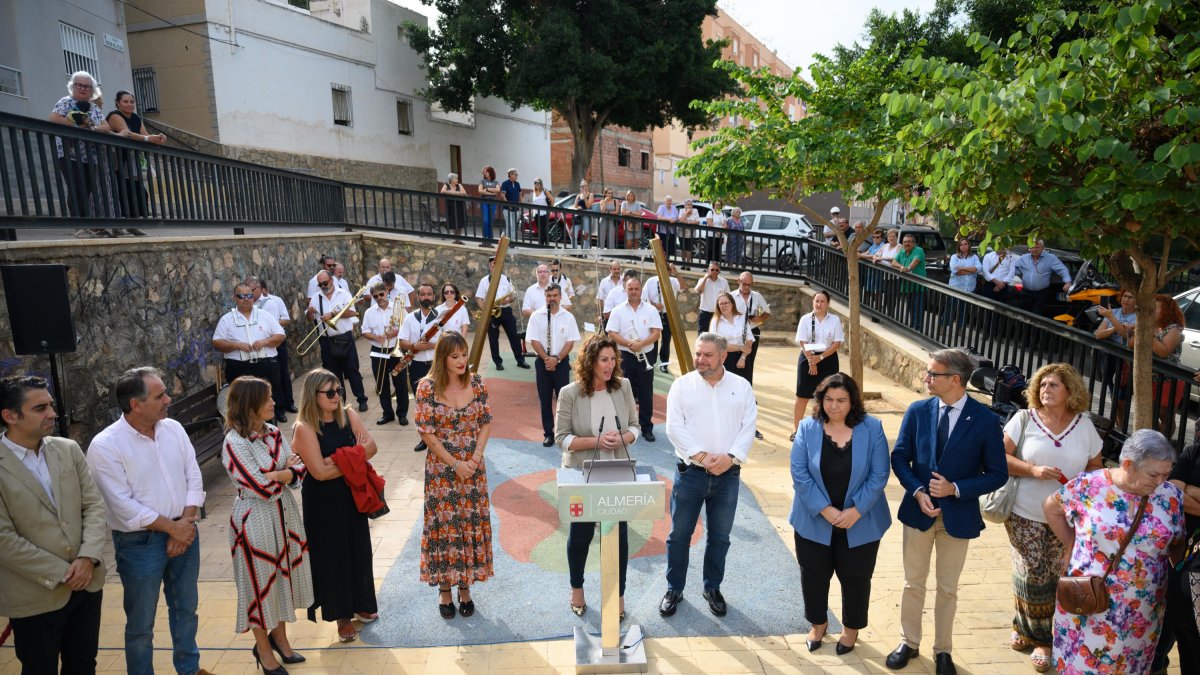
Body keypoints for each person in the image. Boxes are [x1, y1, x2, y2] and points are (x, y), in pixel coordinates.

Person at [887, 349, 1008, 675]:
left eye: (932, 374)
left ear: (955, 379)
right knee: (913, 584)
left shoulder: (985, 420)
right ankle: (908, 643)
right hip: (918, 512)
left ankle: (943, 651)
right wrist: (917, 490)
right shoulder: (917, 410)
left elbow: (998, 474)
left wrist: (956, 488)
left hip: (958, 517)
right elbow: (900, 457)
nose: (926, 378)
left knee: (948, 588)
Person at [87, 367, 212, 675]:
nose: (169, 399)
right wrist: (174, 529)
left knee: (186, 610)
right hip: (139, 543)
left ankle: (190, 668)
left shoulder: (173, 429)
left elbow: (192, 475)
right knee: (141, 624)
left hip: (184, 529)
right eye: (160, 395)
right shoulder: (105, 446)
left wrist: (186, 520)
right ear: (136, 404)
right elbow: (121, 505)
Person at [1044, 429, 1184, 675]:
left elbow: (1177, 541)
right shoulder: (1088, 486)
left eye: (1167, 474)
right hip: (1088, 602)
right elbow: (1052, 507)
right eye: (1154, 474)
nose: (1160, 481)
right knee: (1082, 666)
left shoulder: (1170, 496)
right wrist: (1070, 544)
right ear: (1128, 464)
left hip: (1142, 609)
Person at [0, 376, 107, 675]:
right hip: (35, 594)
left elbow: (94, 506)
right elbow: (3, 539)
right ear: (10, 416)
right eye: (40, 408)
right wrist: (63, 572)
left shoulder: (68, 449)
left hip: (87, 585)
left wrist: (87, 558)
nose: (52, 414)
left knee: (83, 666)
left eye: (50, 405)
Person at [1000, 363, 1103, 672]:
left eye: (1053, 385)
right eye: (1042, 385)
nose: (1045, 390)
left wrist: (1081, 486)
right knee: (1032, 573)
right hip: (1023, 511)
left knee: (1055, 574)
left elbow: (1096, 467)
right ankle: (1044, 641)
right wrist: (1033, 470)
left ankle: (1022, 626)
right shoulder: (1024, 419)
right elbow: (998, 457)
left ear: (1070, 391)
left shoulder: (1084, 426)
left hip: (1066, 515)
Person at [790, 373, 891, 655]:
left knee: (856, 576)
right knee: (813, 574)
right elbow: (799, 474)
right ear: (820, 400)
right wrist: (826, 509)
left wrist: (856, 511)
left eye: (841, 400)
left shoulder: (873, 428)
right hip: (813, 519)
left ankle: (851, 630)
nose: (834, 406)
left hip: (861, 520)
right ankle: (818, 624)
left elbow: (880, 473)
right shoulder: (807, 428)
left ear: (853, 401)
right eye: (828, 399)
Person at [660, 333, 757, 618]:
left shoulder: (741, 387)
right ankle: (673, 588)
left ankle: (711, 587)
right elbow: (673, 428)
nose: (700, 360)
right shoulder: (682, 386)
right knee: (679, 535)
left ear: (723, 356)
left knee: (720, 537)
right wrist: (702, 456)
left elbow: (748, 426)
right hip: (691, 473)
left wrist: (730, 458)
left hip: (728, 476)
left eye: (707, 355)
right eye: (698, 354)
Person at [221, 376, 313, 675]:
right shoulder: (234, 443)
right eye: (268, 398)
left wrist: (282, 474)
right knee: (259, 586)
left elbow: (299, 467)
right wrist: (284, 473)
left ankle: (282, 642)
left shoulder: (273, 432)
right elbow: (260, 487)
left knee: (281, 580)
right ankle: (263, 650)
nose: (274, 402)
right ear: (250, 405)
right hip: (255, 520)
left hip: (283, 514)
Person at [290, 369, 379, 643]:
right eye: (329, 393)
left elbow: (372, 447)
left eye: (339, 390)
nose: (336, 396)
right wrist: (353, 459)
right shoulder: (303, 428)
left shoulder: (348, 413)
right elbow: (319, 473)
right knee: (333, 557)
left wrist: (337, 460)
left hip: (352, 496)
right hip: (323, 503)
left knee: (359, 549)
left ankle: (362, 603)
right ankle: (341, 616)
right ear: (313, 395)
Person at [556, 335, 640, 618]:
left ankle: (617, 595)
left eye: (613, 359)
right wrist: (597, 441)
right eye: (604, 359)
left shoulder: (623, 386)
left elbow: (635, 427)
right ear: (590, 361)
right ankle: (576, 589)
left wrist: (623, 438)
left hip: (616, 473)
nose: (610, 365)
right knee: (580, 536)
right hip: (582, 474)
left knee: (619, 537)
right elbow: (562, 439)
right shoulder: (570, 393)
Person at [415, 332, 495, 618]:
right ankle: (445, 589)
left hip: (473, 469)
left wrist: (473, 458)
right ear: (442, 358)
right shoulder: (426, 387)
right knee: (445, 526)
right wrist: (454, 464)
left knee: (468, 522)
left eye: (464, 354)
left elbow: (485, 422)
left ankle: (465, 587)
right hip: (442, 471)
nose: (462, 361)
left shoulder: (476, 382)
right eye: (455, 356)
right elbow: (427, 432)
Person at [50, 71, 113, 236]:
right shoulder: (65, 102)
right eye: (80, 85)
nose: (84, 89)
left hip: (90, 156)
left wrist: (91, 127)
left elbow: (105, 127)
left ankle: (86, 223)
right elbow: (55, 119)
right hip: (68, 152)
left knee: (88, 189)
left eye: (88, 86)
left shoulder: (93, 107)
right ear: (73, 86)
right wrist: (78, 127)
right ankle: (79, 224)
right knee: (76, 187)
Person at [212, 282, 286, 422]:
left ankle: (270, 433)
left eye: (249, 295)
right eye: (241, 296)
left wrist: (265, 342)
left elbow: (280, 336)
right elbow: (217, 342)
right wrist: (236, 345)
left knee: (267, 403)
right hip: (239, 367)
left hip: (265, 365)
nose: (246, 299)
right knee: (243, 405)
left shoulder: (265, 315)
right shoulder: (227, 319)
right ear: (234, 297)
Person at [606, 275, 662, 441]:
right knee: (623, 391)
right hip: (625, 355)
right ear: (626, 290)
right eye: (630, 289)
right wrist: (631, 344)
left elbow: (656, 333)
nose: (633, 291)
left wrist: (641, 344)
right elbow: (611, 333)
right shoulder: (618, 310)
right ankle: (625, 426)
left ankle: (646, 427)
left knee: (646, 392)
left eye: (636, 289)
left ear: (641, 290)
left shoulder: (651, 310)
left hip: (646, 354)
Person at [1162, 438, 1200, 672]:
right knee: (1185, 634)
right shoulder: (1193, 452)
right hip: (1183, 557)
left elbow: (1180, 490)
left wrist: (1193, 490)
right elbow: (1172, 493)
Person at [307, 270, 369, 412]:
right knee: (333, 374)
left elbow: (353, 312)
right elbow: (310, 319)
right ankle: (340, 402)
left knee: (352, 371)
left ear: (331, 280)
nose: (323, 285)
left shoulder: (343, 294)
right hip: (326, 340)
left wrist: (335, 314)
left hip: (344, 338)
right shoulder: (316, 297)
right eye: (320, 284)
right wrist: (310, 312)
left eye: (325, 282)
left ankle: (361, 399)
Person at [529, 283, 580, 446]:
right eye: (549, 295)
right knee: (545, 400)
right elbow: (534, 341)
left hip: (561, 363)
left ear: (560, 297)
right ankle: (548, 433)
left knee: (563, 399)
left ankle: (564, 432)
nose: (552, 298)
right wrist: (547, 359)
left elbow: (570, 342)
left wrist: (556, 359)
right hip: (543, 363)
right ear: (545, 297)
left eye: (555, 295)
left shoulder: (568, 317)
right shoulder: (537, 316)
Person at [105, 89, 164, 227]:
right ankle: (126, 224)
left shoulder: (136, 118)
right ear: (118, 103)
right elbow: (128, 134)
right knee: (122, 193)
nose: (129, 104)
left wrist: (158, 138)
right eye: (125, 101)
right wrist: (147, 138)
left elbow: (146, 135)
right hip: (117, 162)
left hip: (132, 163)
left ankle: (136, 224)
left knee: (140, 194)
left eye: (132, 102)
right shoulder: (115, 116)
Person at [792, 291, 844, 443]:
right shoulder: (806, 319)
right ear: (813, 302)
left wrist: (820, 358)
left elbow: (837, 343)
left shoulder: (834, 320)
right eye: (817, 301)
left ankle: (824, 429)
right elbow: (802, 341)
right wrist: (811, 361)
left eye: (822, 301)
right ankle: (797, 430)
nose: (819, 304)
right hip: (808, 356)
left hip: (827, 358)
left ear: (827, 303)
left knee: (827, 395)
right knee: (802, 395)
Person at [400, 284, 447, 451]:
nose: (426, 297)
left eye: (429, 294)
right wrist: (415, 345)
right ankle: (425, 439)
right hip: (417, 366)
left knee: (440, 401)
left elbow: (449, 341)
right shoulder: (410, 318)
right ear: (418, 297)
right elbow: (401, 341)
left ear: (433, 297)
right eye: (423, 294)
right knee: (422, 404)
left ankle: (441, 437)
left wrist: (435, 345)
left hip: (437, 365)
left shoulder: (442, 317)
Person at [361, 282, 408, 426]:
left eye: (381, 294)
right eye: (375, 296)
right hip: (377, 351)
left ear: (387, 291)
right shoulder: (369, 312)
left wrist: (395, 332)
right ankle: (387, 413)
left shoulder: (398, 308)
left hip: (396, 350)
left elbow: (407, 327)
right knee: (382, 384)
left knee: (400, 384)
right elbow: (364, 331)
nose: (379, 298)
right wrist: (375, 337)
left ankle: (402, 415)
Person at [249, 276, 298, 414]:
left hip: (275, 341)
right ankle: (276, 408)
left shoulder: (274, 301)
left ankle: (288, 403)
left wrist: (269, 325)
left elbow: (285, 320)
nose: (249, 294)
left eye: (252, 290)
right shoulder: (248, 304)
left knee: (283, 373)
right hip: (260, 346)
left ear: (260, 288)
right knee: (269, 379)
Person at [476, 256, 528, 371]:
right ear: (490, 267)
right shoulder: (484, 281)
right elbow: (479, 298)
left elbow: (513, 295)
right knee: (493, 338)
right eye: (492, 266)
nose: (495, 268)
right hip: (491, 312)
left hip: (505, 310)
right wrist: (486, 311)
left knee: (514, 336)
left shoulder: (506, 279)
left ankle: (520, 360)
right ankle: (498, 362)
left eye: (497, 265)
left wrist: (508, 300)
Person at [1094, 289, 1136, 423]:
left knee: (1121, 398)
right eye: (1124, 296)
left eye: (1130, 297)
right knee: (1114, 396)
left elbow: (1125, 335)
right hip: (1109, 357)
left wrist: (1111, 318)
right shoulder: (1115, 312)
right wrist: (1114, 328)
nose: (1126, 299)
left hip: (1126, 362)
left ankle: (1122, 428)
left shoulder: (1138, 317)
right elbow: (1098, 334)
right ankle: (1118, 426)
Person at [1150, 293, 1186, 436]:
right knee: (1151, 413)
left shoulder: (1174, 328)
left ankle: (1163, 446)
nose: (1151, 312)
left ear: (1166, 311)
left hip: (1169, 380)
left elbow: (1163, 352)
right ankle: (1155, 443)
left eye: (1155, 309)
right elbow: (1132, 344)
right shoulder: (1153, 327)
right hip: (1151, 378)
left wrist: (1150, 332)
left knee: (1165, 416)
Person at [1012, 240, 1072, 316]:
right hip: (1026, 292)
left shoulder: (1050, 258)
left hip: (1041, 293)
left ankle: (1034, 328)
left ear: (1042, 248)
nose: (1034, 249)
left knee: (1037, 316)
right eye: (1032, 247)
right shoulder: (1024, 258)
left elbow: (1062, 269)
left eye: (1037, 247)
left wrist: (1068, 282)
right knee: (1023, 315)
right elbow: (1013, 267)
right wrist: (1020, 274)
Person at [732, 271, 771, 385]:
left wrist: (758, 319)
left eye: (750, 284)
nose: (747, 287)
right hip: (736, 331)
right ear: (738, 281)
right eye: (744, 284)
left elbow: (767, 312)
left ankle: (747, 392)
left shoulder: (756, 296)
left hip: (752, 330)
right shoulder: (731, 296)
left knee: (749, 362)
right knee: (734, 360)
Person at [644, 262, 683, 372]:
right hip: (653, 313)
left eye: (667, 271)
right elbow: (644, 297)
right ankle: (651, 361)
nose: (664, 273)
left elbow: (683, 287)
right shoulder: (651, 281)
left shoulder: (673, 281)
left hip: (667, 313)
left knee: (666, 339)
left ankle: (664, 363)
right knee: (653, 338)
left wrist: (677, 273)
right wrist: (655, 305)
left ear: (669, 272)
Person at [708, 292, 754, 380]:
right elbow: (717, 345)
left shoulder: (742, 318)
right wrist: (740, 347)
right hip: (724, 359)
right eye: (721, 304)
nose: (723, 306)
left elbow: (749, 340)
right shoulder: (715, 321)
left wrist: (743, 357)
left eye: (726, 303)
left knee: (744, 387)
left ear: (732, 303)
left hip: (743, 358)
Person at [891, 234, 928, 331]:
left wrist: (908, 268)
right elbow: (893, 262)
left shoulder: (919, 250)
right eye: (904, 242)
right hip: (907, 285)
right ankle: (913, 327)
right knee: (910, 307)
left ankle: (917, 329)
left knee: (917, 308)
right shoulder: (902, 251)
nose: (906, 244)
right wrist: (901, 267)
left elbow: (915, 261)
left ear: (914, 243)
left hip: (919, 286)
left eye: (909, 242)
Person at [694, 261, 730, 335]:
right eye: (712, 269)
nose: (714, 272)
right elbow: (698, 291)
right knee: (702, 335)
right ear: (708, 270)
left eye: (716, 270)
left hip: (718, 313)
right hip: (705, 313)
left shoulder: (724, 282)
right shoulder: (702, 280)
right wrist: (705, 278)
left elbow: (728, 296)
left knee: (717, 336)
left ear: (719, 271)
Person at [528, 178, 553, 246]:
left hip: (544, 213)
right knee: (539, 229)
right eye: (535, 183)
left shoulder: (545, 191)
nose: (536, 184)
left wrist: (550, 210)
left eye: (538, 183)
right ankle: (541, 244)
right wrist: (532, 212)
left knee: (543, 229)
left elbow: (552, 199)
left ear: (541, 184)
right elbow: (534, 203)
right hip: (536, 213)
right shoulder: (534, 192)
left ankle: (546, 244)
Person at [479, 165, 501, 243]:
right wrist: (492, 193)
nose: (485, 173)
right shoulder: (482, 181)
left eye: (486, 171)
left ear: (490, 172)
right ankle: (484, 239)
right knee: (485, 220)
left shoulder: (496, 182)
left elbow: (498, 190)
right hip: (484, 202)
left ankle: (490, 240)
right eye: (484, 171)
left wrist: (487, 189)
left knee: (491, 220)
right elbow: (480, 191)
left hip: (493, 203)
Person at [500, 168, 522, 241]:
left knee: (514, 226)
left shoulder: (517, 184)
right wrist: (508, 204)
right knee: (509, 225)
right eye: (515, 174)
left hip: (516, 208)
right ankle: (508, 242)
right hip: (507, 208)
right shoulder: (505, 183)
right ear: (510, 175)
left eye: (517, 175)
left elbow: (520, 195)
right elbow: (503, 195)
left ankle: (513, 242)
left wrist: (522, 206)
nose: (517, 176)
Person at [572, 181, 594, 248]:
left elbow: (588, 206)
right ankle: (574, 251)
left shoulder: (590, 195)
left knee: (586, 235)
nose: (583, 187)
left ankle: (584, 253)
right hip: (578, 216)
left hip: (586, 216)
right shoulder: (578, 195)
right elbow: (574, 207)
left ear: (587, 186)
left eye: (585, 185)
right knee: (573, 234)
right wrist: (578, 207)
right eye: (582, 186)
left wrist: (585, 198)